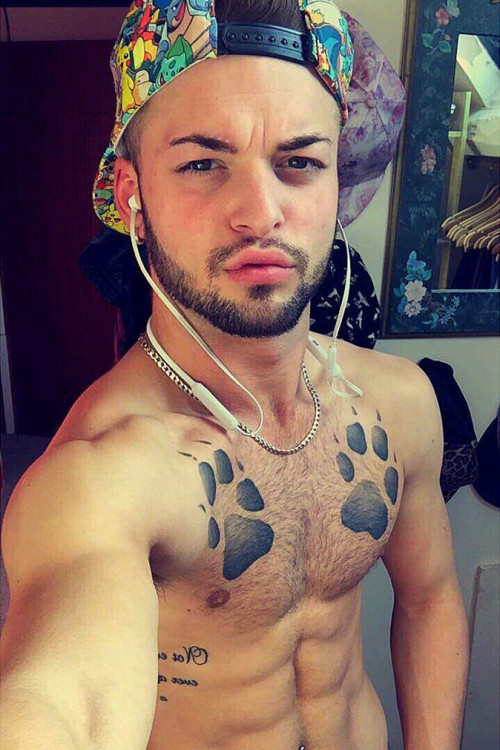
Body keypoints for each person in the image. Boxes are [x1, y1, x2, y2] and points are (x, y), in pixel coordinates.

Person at [0, 2, 470, 749]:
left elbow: (431, 599)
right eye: (202, 164)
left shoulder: (400, 401)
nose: (260, 212)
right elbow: (59, 702)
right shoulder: (99, 475)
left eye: (299, 163)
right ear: (131, 195)